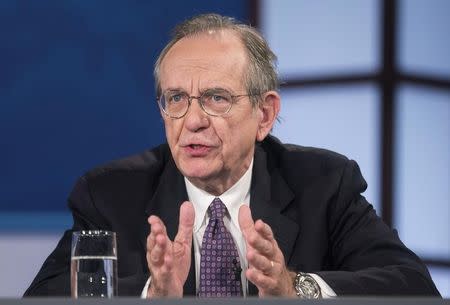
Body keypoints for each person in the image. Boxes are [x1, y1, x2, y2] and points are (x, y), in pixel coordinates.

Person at [24, 13, 440, 298]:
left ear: (265, 113)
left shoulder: (324, 183)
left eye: (216, 98)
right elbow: (44, 297)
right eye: (175, 99)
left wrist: (292, 288)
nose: (192, 121)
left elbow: (412, 286)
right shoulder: (110, 194)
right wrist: (151, 293)